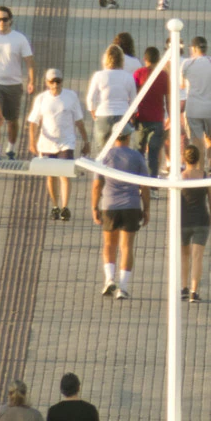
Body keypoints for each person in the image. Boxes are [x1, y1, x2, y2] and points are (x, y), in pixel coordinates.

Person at [94, 126, 152, 298]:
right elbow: (145, 185)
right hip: (131, 205)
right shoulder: (137, 156)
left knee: (109, 244)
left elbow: (97, 184)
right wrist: (146, 208)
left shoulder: (104, 156)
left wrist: (94, 206)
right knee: (126, 247)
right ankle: (123, 287)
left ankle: (109, 279)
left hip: (110, 205)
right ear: (128, 137)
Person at [27, 71, 86, 220]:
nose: (55, 85)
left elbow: (79, 120)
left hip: (66, 142)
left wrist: (86, 141)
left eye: (58, 81)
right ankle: (55, 205)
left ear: (62, 81)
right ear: (47, 82)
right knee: (51, 176)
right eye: (52, 82)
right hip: (46, 144)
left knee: (64, 175)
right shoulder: (41, 99)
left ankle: (65, 207)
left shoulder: (71, 96)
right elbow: (33, 122)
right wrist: (32, 141)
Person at [0, 9, 36, 158]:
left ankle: (11, 149)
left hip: (14, 85)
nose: (1, 22)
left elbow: (29, 61)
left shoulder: (19, 39)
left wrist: (31, 81)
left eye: (4, 19)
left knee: (12, 119)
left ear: (10, 20)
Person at [179, 36, 211, 172]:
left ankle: (199, 171)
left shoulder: (187, 64)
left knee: (196, 141)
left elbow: (181, 85)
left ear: (193, 49)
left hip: (193, 109)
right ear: (206, 48)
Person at [179, 144, 211, 302]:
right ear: (199, 158)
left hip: (183, 221)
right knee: (197, 256)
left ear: (184, 159)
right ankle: (194, 291)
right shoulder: (205, 177)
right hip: (201, 220)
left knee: (184, 255)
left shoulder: (180, 177)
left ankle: (183, 288)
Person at [130, 47, 169, 173]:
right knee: (154, 153)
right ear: (158, 60)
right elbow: (168, 98)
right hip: (157, 118)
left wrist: (131, 115)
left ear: (145, 59)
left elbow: (132, 95)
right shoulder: (163, 76)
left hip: (141, 117)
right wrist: (170, 116)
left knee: (138, 152)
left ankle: (138, 180)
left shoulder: (138, 73)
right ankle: (153, 184)